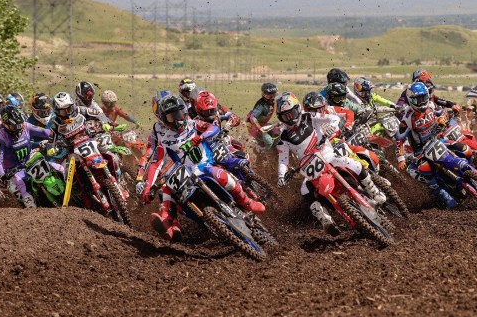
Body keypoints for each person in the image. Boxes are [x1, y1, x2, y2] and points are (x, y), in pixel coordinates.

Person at [141, 92, 265, 242]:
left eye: (179, 114)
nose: (177, 119)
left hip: (205, 163)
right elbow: (155, 163)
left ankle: (247, 201)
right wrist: (147, 187)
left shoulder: (193, 123)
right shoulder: (163, 138)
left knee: (217, 171)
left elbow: (212, 128)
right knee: (167, 189)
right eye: (171, 117)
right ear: (163, 119)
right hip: (185, 173)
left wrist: (200, 137)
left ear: (184, 112)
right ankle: (169, 224)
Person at [274, 94, 384, 233]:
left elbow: (333, 118)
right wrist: (281, 176)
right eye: (285, 116)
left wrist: (332, 129)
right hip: (309, 166)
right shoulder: (283, 138)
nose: (290, 118)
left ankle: (373, 191)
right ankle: (326, 220)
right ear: (280, 118)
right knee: (304, 190)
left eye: (292, 114)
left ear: (298, 109)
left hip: (328, 155)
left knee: (354, 164)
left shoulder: (310, 116)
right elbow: (283, 160)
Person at [396, 82, 464, 209]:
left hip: (438, 140)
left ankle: (473, 169)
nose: (422, 103)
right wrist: (400, 158)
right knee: (424, 171)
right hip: (421, 151)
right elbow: (399, 139)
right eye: (418, 100)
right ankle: (445, 196)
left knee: (464, 149)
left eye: (423, 98)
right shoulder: (407, 118)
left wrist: (444, 116)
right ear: (411, 100)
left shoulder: (431, 105)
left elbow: (442, 112)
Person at [0, 105, 58, 208]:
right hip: (15, 170)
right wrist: (3, 175)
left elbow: (45, 132)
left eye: (20, 123)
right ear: (6, 125)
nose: (19, 127)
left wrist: (57, 135)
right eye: (15, 126)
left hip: (31, 161)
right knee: (27, 196)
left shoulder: (25, 126)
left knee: (58, 168)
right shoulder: (1, 137)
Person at [246, 82, 281, 149]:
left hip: (263, 124)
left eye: (275, 95)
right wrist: (260, 128)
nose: (273, 97)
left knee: (278, 133)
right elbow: (253, 117)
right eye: (271, 96)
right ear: (265, 95)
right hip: (253, 126)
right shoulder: (261, 105)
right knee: (269, 141)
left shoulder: (274, 102)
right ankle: (264, 154)